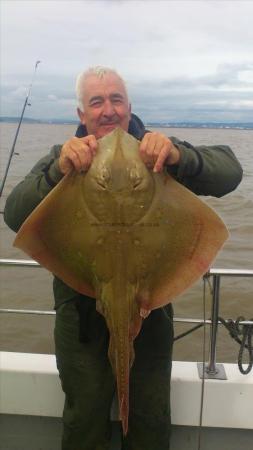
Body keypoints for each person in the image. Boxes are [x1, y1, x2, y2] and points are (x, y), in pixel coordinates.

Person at [4, 66, 243, 450]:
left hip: (150, 305)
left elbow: (230, 171)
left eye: (116, 99)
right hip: (79, 314)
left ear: (130, 107)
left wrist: (179, 156)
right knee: (84, 419)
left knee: (149, 420)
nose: (109, 110)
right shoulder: (62, 159)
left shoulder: (158, 154)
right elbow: (14, 214)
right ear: (81, 115)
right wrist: (56, 170)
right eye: (96, 102)